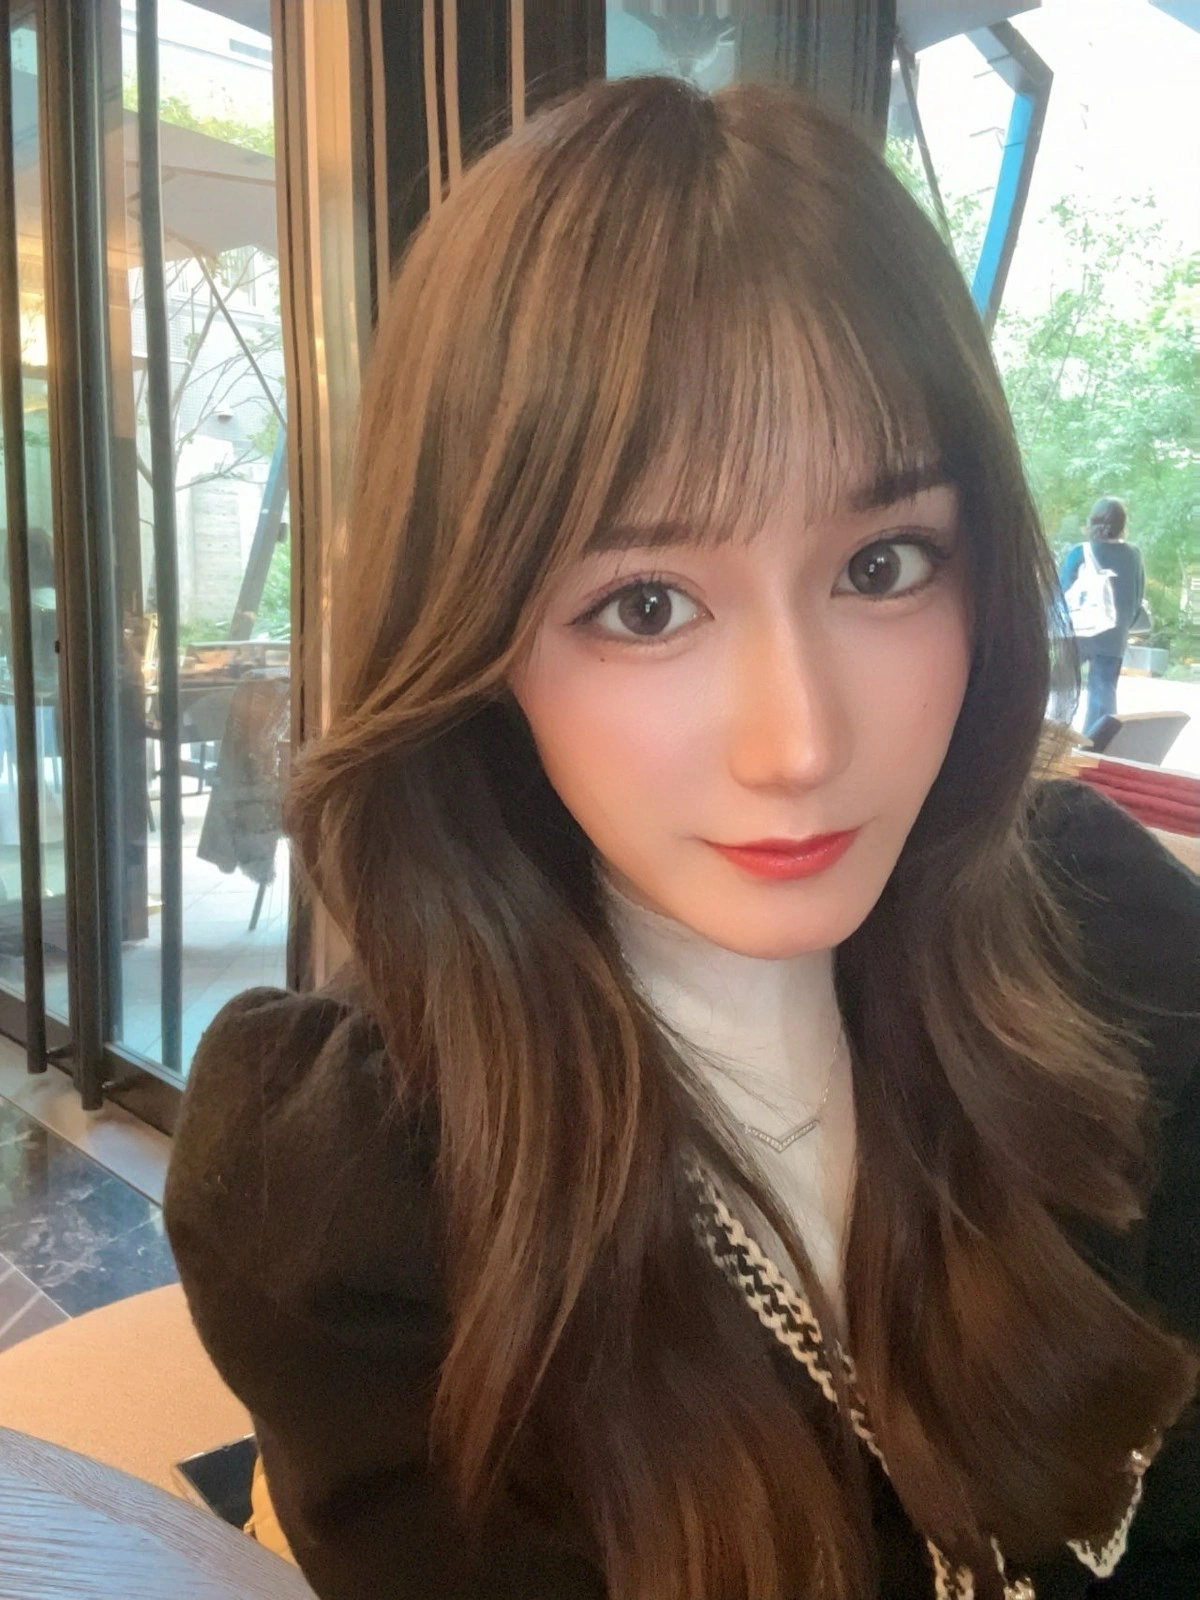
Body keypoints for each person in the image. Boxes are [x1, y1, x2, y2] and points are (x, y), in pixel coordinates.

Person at [163, 78, 1199, 1600]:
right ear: (481, 646)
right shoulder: (350, 1198)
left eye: (884, 564)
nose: (800, 744)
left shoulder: (1107, 939)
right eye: (646, 605)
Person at [1059, 498, 1146, 738]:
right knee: (1104, 694)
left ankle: (1052, 739)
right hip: (1114, 636)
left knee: (1059, 689)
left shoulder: (1080, 552)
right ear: (1122, 524)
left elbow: (1062, 591)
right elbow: (1137, 596)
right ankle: (1098, 744)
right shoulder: (1133, 555)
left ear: (1092, 521)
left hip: (1078, 632)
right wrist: (1124, 626)